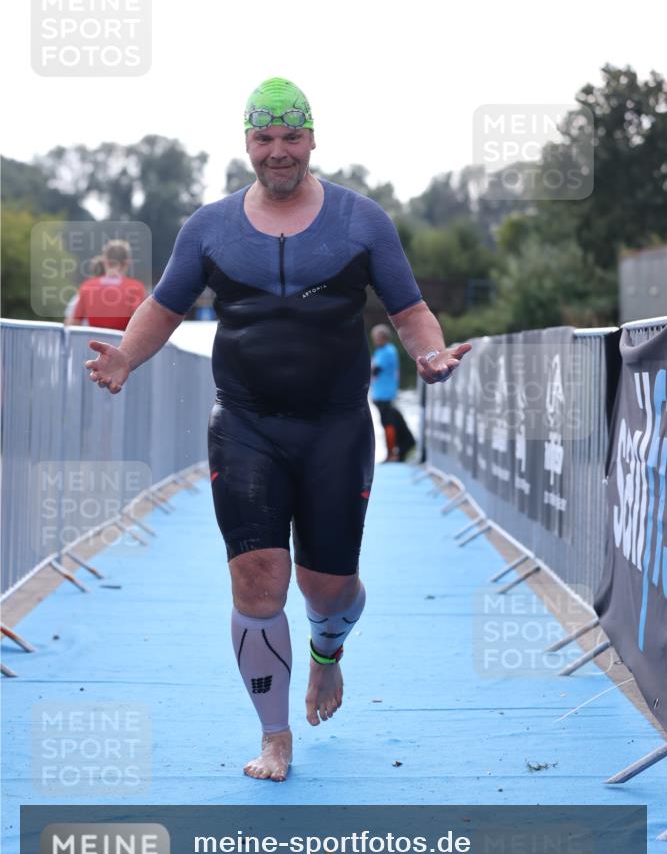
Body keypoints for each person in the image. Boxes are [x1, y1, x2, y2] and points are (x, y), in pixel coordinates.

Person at [83, 77, 472, 782]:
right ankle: (274, 737)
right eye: (264, 138)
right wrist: (126, 358)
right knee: (258, 583)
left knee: (328, 589)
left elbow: (408, 306)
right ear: (246, 144)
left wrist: (428, 352)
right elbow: (165, 307)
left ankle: (328, 649)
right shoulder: (209, 226)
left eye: (291, 136)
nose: (278, 152)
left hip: (335, 428)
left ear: (313, 138)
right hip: (246, 425)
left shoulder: (361, 221)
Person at [66, 241, 144, 331]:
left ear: (104, 261)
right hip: (121, 344)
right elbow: (139, 325)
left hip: (93, 344)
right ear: (127, 263)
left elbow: (74, 324)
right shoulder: (136, 288)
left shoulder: (87, 286)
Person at [370, 323, 416, 461]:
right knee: (388, 422)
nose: (375, 340)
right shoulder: (379, 351)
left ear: (384, 337)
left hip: (386, 394)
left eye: (377, 337)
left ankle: (391, 453)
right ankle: (397, 449)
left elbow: (375, 369)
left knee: (388, 423)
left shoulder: (388, 351)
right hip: (378, 393)